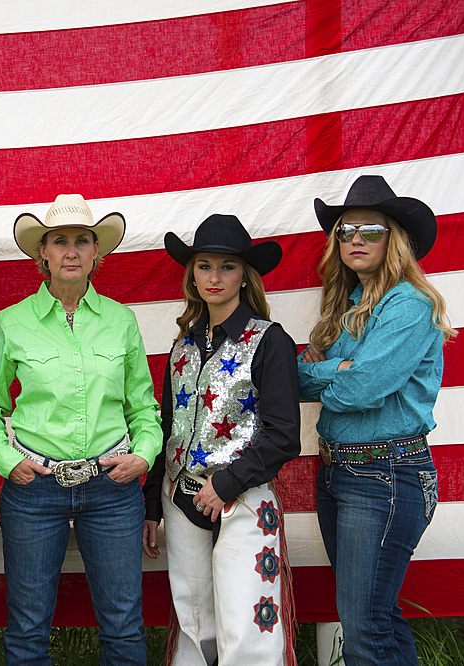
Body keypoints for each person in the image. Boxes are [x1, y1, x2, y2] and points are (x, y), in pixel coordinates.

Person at [0, 194, 162, 666]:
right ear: (44, 253)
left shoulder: (121, 321)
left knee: (122, 622)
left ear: (97, 251)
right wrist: (6, 458)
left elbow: (144, 406)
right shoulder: (13, 322)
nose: (71, 251)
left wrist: (144, 455)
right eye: (60, 242)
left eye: (82, 241)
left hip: (112, 488)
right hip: (35, 488)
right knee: (28, 623)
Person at [298, 175, 453, 666]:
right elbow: (297, 383)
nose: (356, 239)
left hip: (385, 474)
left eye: (370, 229)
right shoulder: (343, 306)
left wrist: (334, 372)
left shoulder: (410, 304)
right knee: (376, 618)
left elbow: (361, 389)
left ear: (394, 240)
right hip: (340, 473)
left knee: (364, 627)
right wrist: (337, 370)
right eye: (346, 231)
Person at [142, 214, 300, 666]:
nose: (214, 277)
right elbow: (168, 426)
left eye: (227, 267)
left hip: (242, 498)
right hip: (181, 495)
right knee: (194, 624)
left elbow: (284, 434)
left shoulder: (269, 341)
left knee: (247, 624)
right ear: (192, 273)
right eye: (204, 265)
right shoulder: (183, 345)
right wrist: (154, 502)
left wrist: (227, 483)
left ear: (244, 275)